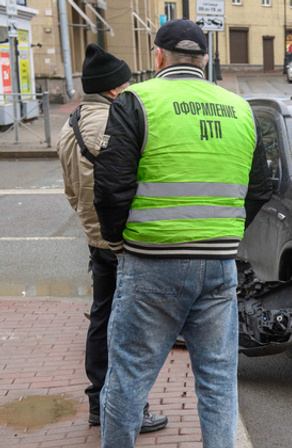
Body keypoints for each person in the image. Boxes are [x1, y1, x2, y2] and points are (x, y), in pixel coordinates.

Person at [94, 19, 271, 447]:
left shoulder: (137, 101)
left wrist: (117, 243)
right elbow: (260, 188)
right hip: (218, 266)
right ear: (205, 59)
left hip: (151, 263)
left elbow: (111, 187)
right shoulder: (241, 109)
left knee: (128, 377)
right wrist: (225, 232)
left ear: (158, 56)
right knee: (218, 380)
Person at [55, 43, 169, 434]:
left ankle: (97, 404)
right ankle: (129, 410)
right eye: (125, 83)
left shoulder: (70, 126)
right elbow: (129, 180)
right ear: (114, 88)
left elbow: (71, 192)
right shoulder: (115, 121)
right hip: (124, 239)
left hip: (95, 238)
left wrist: (91, 224)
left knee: (102, 318)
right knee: (130, 329)